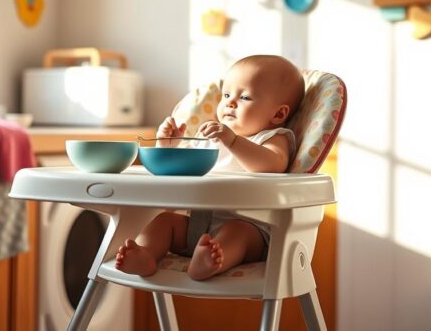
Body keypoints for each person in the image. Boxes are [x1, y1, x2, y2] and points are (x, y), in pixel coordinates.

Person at [115, 55, 305, 280]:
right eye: (226, 95)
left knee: (236, 232)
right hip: (199, 223)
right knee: (165, 221)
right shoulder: (211, 137)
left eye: (244, 97)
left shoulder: (272, 138)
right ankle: (146, 255)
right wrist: (169, 146)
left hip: (252, 229)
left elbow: (273, 164)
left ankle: (212, 261)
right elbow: (181, 169)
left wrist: (233, 141)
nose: (230, 103)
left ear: (279, 114)